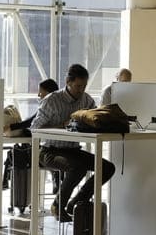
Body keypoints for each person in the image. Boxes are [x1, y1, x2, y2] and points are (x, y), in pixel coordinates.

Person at [32, 63, 116, 220]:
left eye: (84, 86)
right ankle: (58, 204)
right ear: (68, 82)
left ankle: (76, 202)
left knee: (107, 167)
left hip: (73, 150)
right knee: (78, 168)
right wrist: (61, 125)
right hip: (49, 151)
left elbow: (94, 118)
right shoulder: (52, 100)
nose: (81, 90)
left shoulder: (87, 100)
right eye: (78, 86)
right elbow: (35, 128)